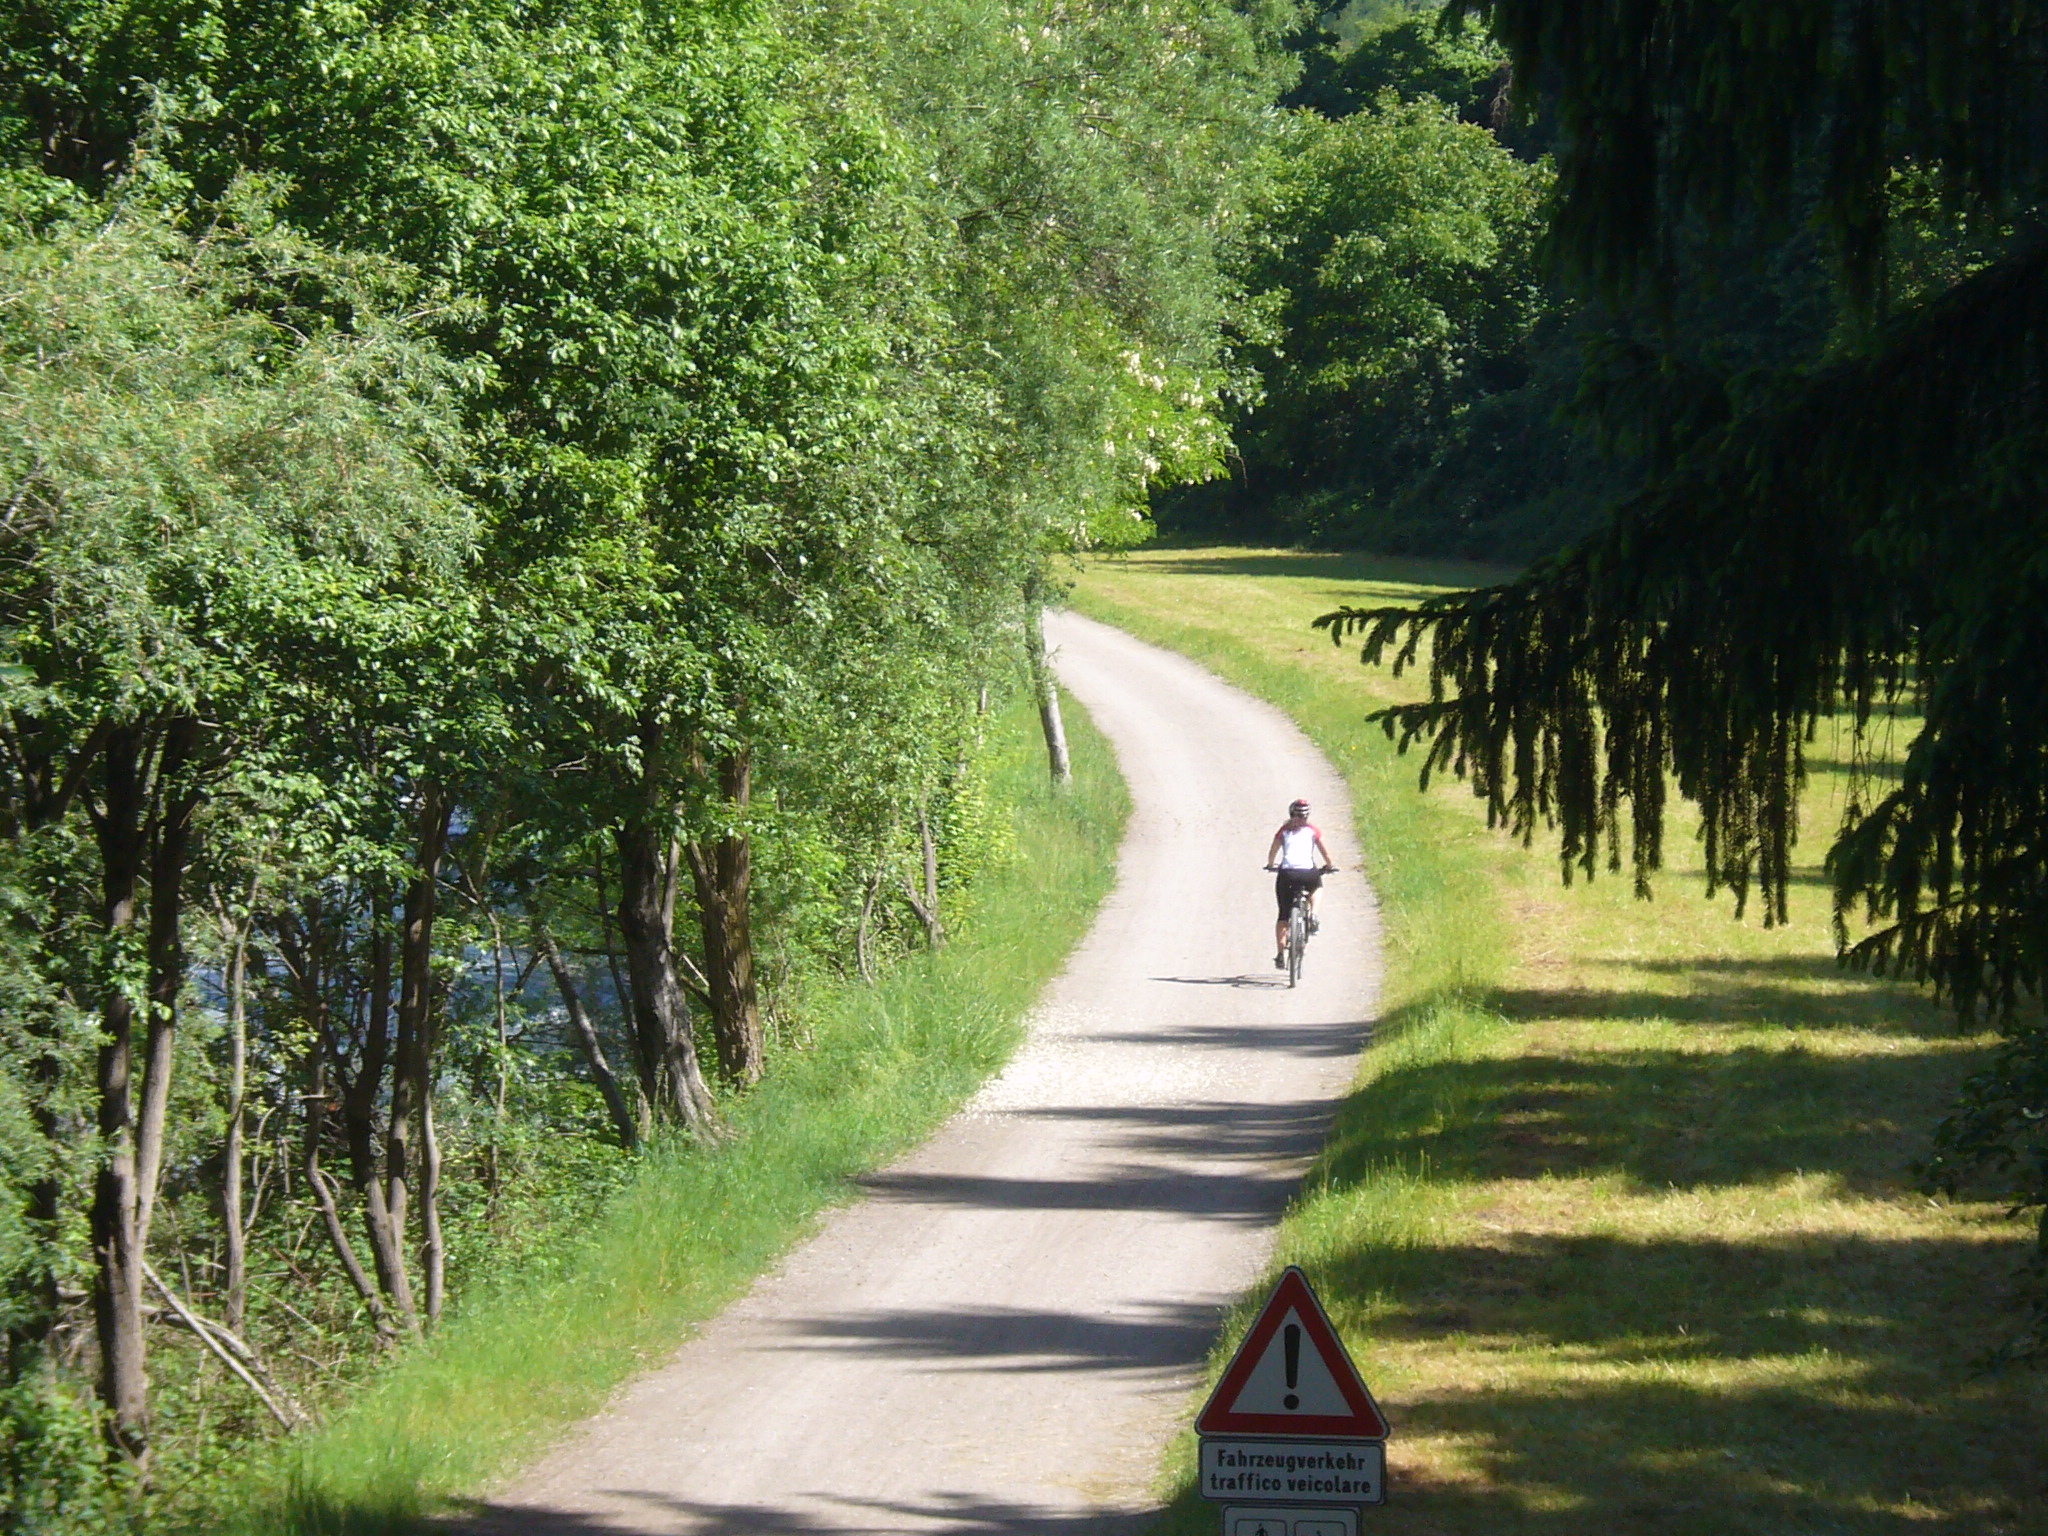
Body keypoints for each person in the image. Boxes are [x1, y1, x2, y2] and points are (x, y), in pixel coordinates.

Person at [1265, 798, 1336, 969]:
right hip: (1307, 873)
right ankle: (1314, 914)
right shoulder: (1313, 831)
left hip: (1287, 874)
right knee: (1317, 886)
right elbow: (1325, 852)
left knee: (1283, 915)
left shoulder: (1283, 830)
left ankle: (1281, 954)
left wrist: (1270, 865)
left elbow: (1272, 853)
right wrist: (1329, 865)